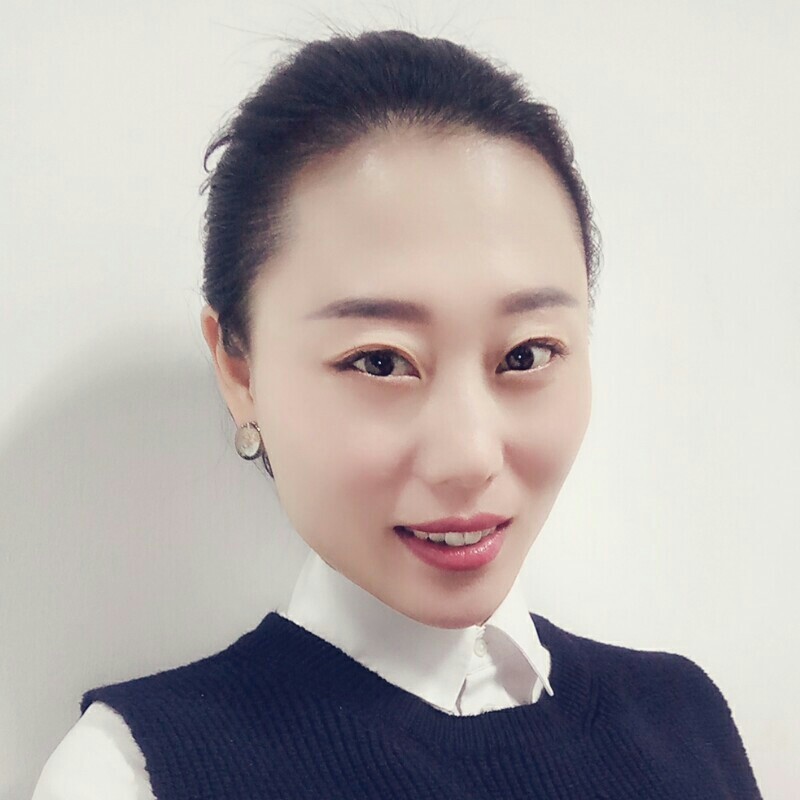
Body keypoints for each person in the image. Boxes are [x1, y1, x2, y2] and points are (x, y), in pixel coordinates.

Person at [32, 27, 762, 799]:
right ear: (239, 369)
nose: (468, 457)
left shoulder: (683, 721)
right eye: (379, 361)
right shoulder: (134, 773)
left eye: (525, 354)